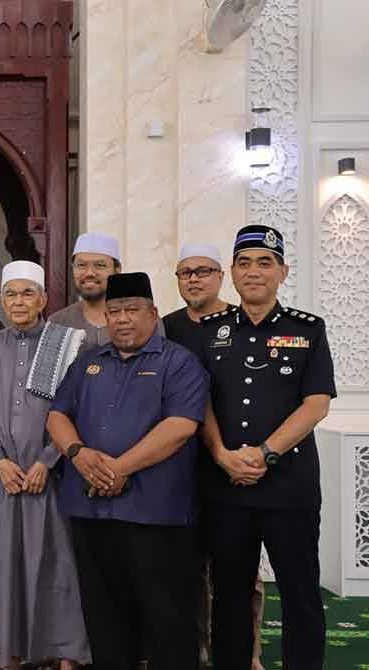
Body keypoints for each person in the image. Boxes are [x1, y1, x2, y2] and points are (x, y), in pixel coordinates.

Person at [46, 272, 209, 670]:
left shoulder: (179, 363)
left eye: (132, 310)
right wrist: (78, 454)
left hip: (156, 513)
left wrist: (119, 469)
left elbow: (181, 427)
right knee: (104, 616)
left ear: (153, 313)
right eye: (114, 311)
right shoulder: (88, 362)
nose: (121, 319)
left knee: (166, 617)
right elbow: (56, 415)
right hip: (91, 511)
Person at [195, 225, 335, 670]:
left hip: (289, 487)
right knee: (230, 594)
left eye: (264, 262)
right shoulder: (210, 331)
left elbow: (316, 405)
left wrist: (265, 454)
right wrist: (221, 455)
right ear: (232, 273)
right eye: (244, 262)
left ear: (282, 272)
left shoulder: (307, 330)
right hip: (227, 486)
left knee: (299, 592)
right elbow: (198, 403)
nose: (254, 272)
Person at [0, 261, 91, 670]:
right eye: (11, 294)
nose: (18, 302)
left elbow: (75, 408)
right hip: (5, 477)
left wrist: (47, 460)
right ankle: (13, 650)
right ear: (2, 300)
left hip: (53, 474)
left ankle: (64, 652)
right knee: (8, 562)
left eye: (27, 293)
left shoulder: (65, 342)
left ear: (43, 299)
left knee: (57, 560)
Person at [162, 242, 265, 670]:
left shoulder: (245, 321)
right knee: (187, 570)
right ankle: (199, 650)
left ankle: (249, 654)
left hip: (236, 464)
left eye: (203, 271)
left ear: (220, 275)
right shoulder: (166, 326)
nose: (193, 279)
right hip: (183, 465)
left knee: (240, 572)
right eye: (185, 273)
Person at [48, 232, 123, 351]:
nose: (89, 273)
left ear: (117, 270)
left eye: (100, 265)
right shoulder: (58, 323)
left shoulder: (141, 320)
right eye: (81, 265)